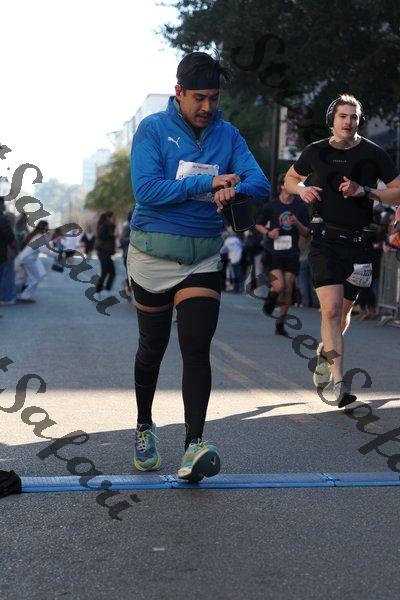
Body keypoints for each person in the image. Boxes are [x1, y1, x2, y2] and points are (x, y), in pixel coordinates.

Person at [128, 51, 270, 482]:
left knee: (196, 346)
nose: (207, 106)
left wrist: (235, 187)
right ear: (179, 93)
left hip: (203, 255)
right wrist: (208, 182)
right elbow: (147, 190)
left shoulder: (228, 134)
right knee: (152, 347)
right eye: (199, 98)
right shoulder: (153, 129)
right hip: (152, 253)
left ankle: (194, 445)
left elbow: (260, 181)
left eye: (214, 98)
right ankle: (144, 426)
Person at [285, 94, 400, 407]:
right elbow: (291, 179)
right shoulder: (315, 151)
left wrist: (366, 191)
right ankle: (338, 384)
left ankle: (326, 354)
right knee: (332, 310)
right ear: (332, 120)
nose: (348, 122)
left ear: (359, 121)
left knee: (344, 313)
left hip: (359, 244)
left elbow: (397, 191)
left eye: (354, 117)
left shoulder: (373, 153)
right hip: (324, 240)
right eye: (343, 116)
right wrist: (302, 190)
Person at [256, 172, 309, 336]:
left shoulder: (300, 207)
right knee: (279, 286)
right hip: (274, 252)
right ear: (282, 186)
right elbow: (258, 225)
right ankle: (271, 299)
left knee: (287, 289)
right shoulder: (271, 206)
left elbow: (306, 232)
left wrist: (297, 222)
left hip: (292, 253)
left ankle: (280, 323)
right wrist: (269, 233)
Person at [15, 220, 49, 303]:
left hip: (22, 258)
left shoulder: (34, 235)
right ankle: (25, 296)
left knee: (21, 278)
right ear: (44, 228)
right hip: (28, 259)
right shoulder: (40, 237)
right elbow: (44, 250)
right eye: (47, 227)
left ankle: (15, 294)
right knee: (36, 278)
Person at [94, 211, 116, 300]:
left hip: (106, 253)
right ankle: (97, 292)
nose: (114, 218)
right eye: (113, 217)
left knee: (112, 273)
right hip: (103, 252)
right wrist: (111, 235)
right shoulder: (105, 226)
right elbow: (100, 237)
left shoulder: (109, 226)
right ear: (108, 218)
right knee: (105, 273)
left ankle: (106, 291)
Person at [0, 201, 16, 311]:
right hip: (4, 252)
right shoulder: (3, 219)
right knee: (7, 275)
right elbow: (10, 238)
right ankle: (7, 298)